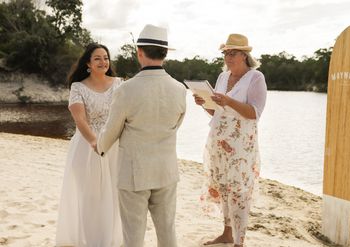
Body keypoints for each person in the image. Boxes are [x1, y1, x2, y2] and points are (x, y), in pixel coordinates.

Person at [96, 24, 187, 247]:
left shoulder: (126, 90)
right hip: (166, 170)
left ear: (139, 52)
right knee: (167, 231)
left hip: (134, 173)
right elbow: (176, 126)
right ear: (165, 54)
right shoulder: (180, 89)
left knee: (133, 236)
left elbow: (112, 130)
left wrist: (100, 147)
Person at [194, 33, 267, 247]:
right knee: (223, 187)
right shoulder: (222, 77)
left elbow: (255, 112)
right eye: (225, 53)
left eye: (232, 53)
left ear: (244, 55)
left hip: (241, 145)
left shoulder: (256, 78)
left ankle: (239, 241)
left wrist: (228, 100)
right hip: (218, 140)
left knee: (239, 191)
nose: (228, 57)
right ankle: (227, 234)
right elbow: (218, 111)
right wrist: (204, 103)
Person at [56, 43, 123, 247]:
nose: (103, 62)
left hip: (114, 145)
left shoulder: (120, 84)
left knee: (113, 192)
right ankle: (90, 240)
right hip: (86, 145)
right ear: (88, 63)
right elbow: (80, 120)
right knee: (89, 194)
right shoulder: (78, 87)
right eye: (97, 58)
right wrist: (95, 141)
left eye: (106, 57)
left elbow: (126, 114)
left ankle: (110, 239)